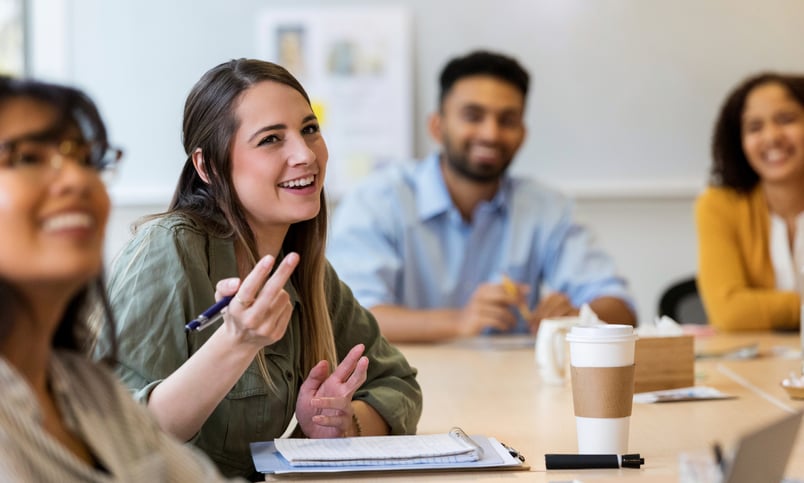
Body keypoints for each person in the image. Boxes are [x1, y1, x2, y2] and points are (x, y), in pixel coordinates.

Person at [95, 59, 422, 480]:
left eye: (310, 129)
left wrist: (342, 424)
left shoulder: (306, 271)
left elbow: (398, 383)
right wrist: (235, 343)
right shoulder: (168, 250)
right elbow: (117, 435)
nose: (305, 155)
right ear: (208, 167)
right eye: (271, 139)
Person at [0, 77, 241, 481]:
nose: (77, 180)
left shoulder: (88, 390)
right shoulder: (169, 244)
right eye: (27, 158)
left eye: (87, 159)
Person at [327, 50, 636, 343]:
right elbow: (349, 318)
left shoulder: (546, 208)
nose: (490, 133)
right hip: (405, 387)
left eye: (507, 120)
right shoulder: (376, 202)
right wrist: (459, 321)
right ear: (437, 126)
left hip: (512, 387)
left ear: (522, 134)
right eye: (473, 116)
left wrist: (578, 317)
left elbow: (621, 308)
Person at [696, 73, 804, 331]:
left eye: (786, 120)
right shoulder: (719, 205)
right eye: (755, 127)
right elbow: (729, 313)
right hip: (755, 366)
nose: (772, 136)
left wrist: (764, 308)